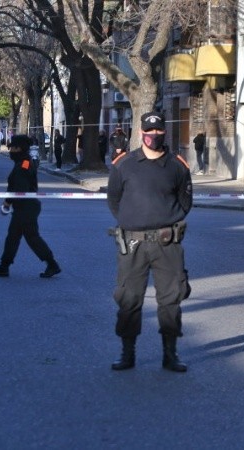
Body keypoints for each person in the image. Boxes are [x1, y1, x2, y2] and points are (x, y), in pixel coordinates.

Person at [106, 111, 193, 373]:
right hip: (133, 245)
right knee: (129, 299)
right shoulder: (124, 164)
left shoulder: (177, 165)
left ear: (164, 132)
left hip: (168, 243)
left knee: (171, 299)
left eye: (158, 132)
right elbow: (114, 201)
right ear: (141, 132)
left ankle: (170, 354)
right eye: (148, 131)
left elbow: (185, 201)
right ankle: (127, 353)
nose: (153, 136)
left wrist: (165, 220)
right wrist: (133, 220)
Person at [0, 135, 61, 278]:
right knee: (14, 237)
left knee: (30, 237)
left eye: (12, 148)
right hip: (25, 207)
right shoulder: (23, 162)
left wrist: (7, 202)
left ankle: (52, 264)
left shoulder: (23, 164)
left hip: (26, 208)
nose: (10, 151)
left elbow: (19, 188)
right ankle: (4, 266)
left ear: (18, 148)